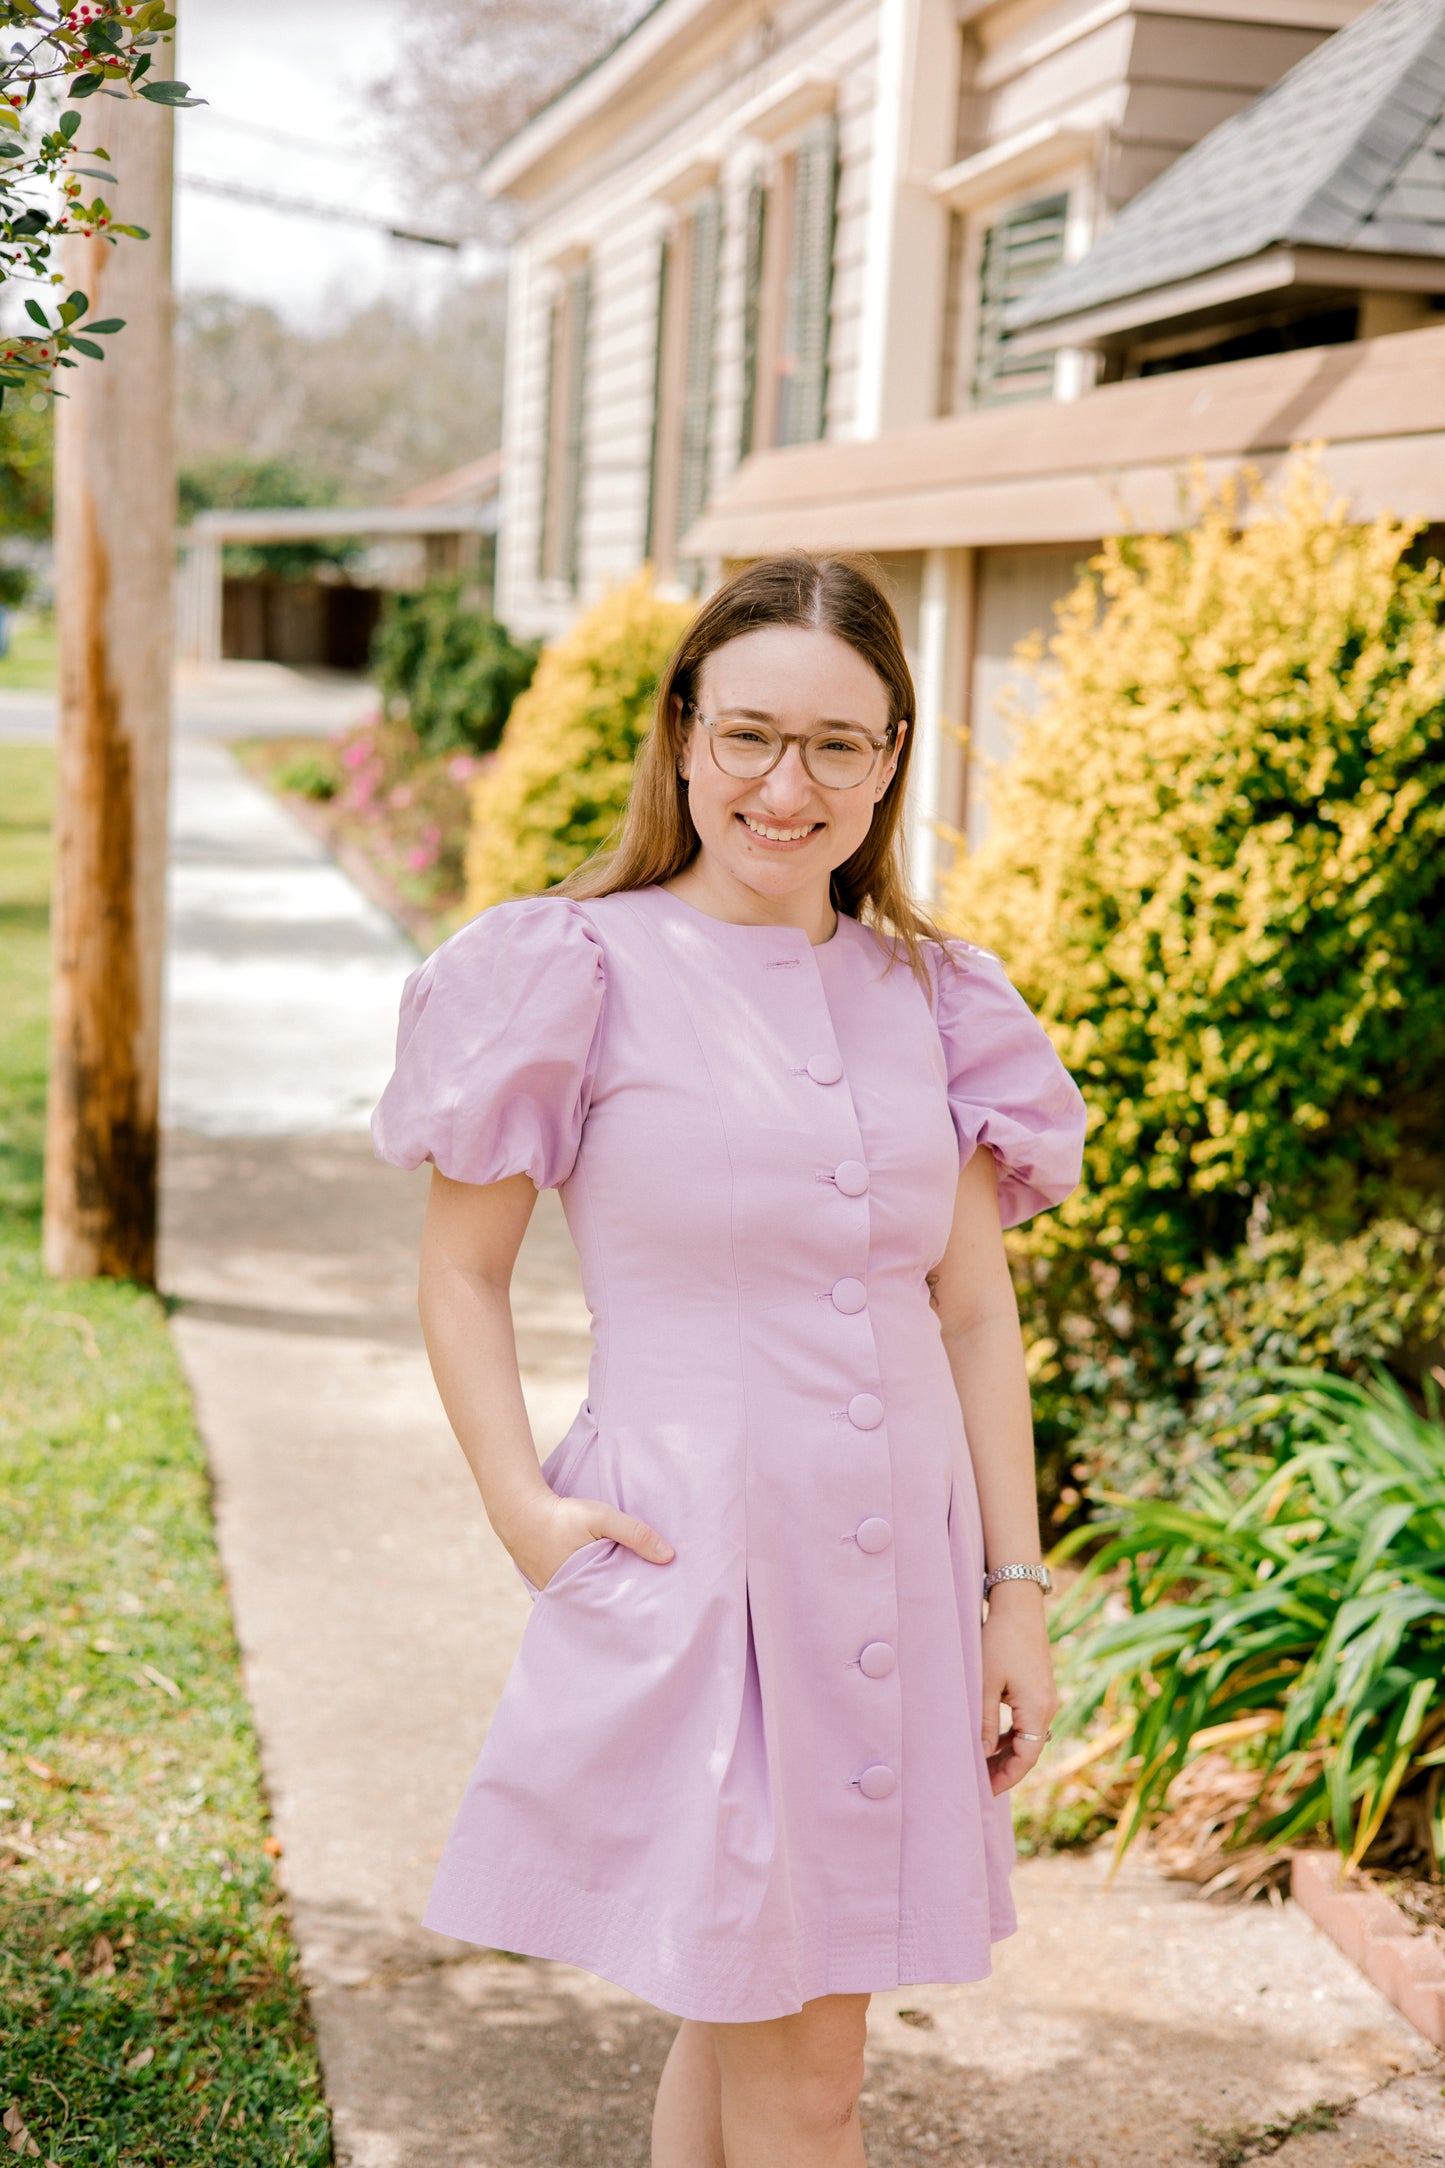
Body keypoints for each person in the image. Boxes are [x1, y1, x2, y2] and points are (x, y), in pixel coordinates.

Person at [370, 551, 1087, 2167]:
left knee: (750, 2010)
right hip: (710, 1572)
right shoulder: (574, 967)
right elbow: (460, 1275)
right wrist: (522, 1512)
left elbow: (970, 1312)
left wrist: (1014, 1591)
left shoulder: (939, 997)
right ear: (683, 733)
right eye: (751, 734)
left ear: (892, 757)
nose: (789, 784)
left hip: (901, 1569)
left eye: (840, 743)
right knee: (808, 2083)